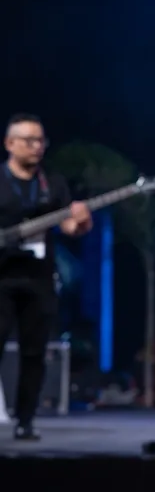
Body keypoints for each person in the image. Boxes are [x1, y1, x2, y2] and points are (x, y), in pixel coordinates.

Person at [0, 113, 92, 439]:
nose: (37, 147)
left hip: (38, 279)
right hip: (2, 280)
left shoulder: (52, 183)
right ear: (10, 144)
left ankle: (25, 420)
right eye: (29, 140)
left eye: (41, 141)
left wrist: (82, 221)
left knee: (34, 353)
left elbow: (70, 227)